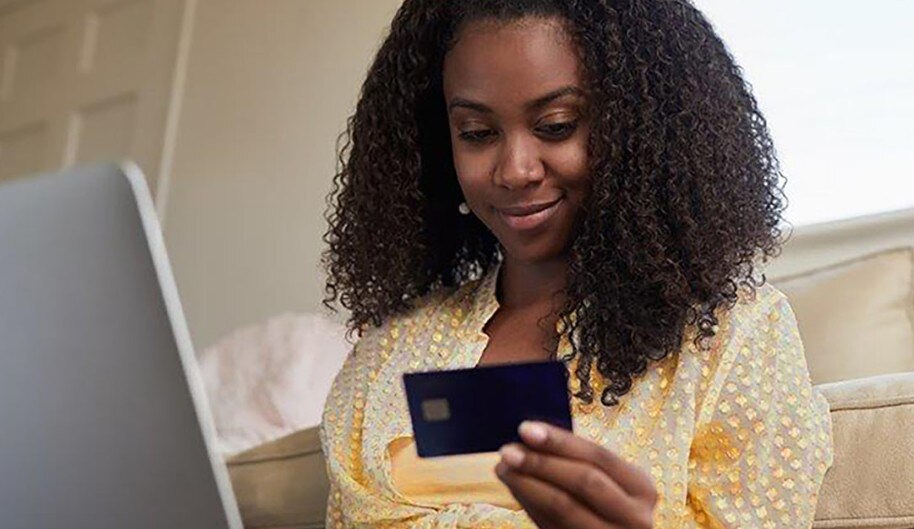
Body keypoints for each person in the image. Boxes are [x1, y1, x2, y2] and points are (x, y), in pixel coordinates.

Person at [320, 0, 833, 527]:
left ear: (640, 129)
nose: (515, 170)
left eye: (556, 126)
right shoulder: (391, 348)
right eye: (477, 133)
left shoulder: (730, 335)